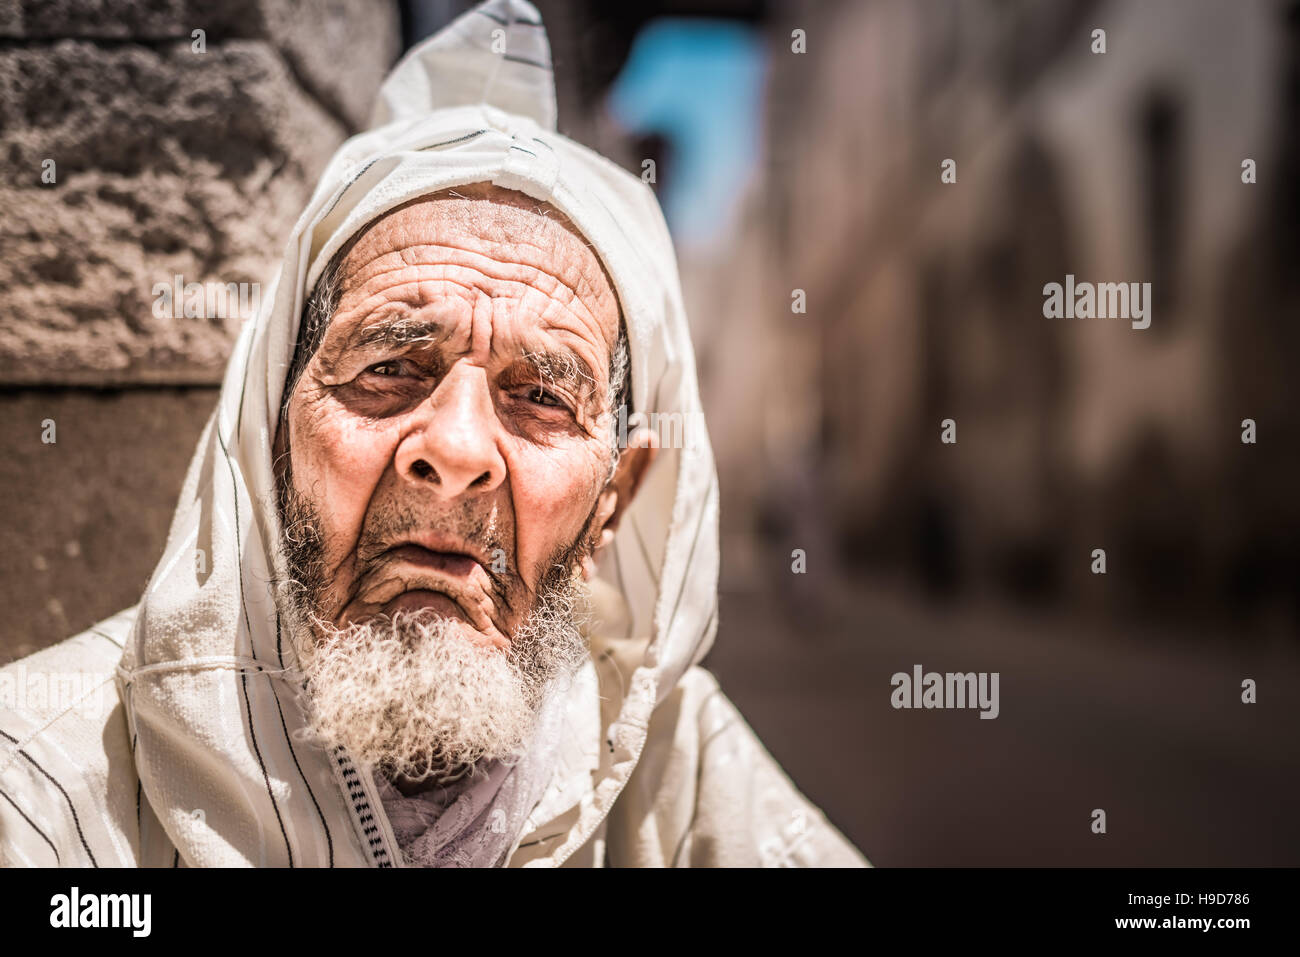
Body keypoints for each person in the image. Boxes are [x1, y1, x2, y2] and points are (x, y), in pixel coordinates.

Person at [0, 0, 867, 868]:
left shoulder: (673, 769)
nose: (454, 452)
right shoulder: (41, 786)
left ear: (614, 500)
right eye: (389, 369)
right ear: (271, 433)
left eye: (539, 397)